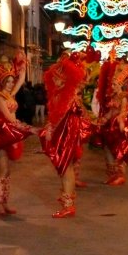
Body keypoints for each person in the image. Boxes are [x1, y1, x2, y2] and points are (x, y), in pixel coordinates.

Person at [0, 55, 38, 216]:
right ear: (2, 82)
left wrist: (24, 69)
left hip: (7, 135)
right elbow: (11, 119)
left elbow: (20, 82)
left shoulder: (8, 94)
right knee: (4, 169)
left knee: (7, 171)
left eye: (12, 81)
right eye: (9, 81)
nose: (12, 84)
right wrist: (30, 129)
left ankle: (3, 202)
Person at [40, 52, 96, 218]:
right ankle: (67, 199)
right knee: (66, 167)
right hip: (63, 132)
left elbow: (61, 115)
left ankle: (68, 205)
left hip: (66, 132)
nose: (56, 81)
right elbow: (55, 115)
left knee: (66, 167)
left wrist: (50, 128)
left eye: (59, 78)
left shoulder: (68, 95)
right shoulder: (59, 94)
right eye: (55, 78)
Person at [97, 61, 128, 186]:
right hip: (112, 126)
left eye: (115, 84)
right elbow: (111, 111)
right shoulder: (113, 96)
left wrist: (121, 120)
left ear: (121, 84)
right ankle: (112, 174)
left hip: (121, 127)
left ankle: (121, 175)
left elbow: (124, 110)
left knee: (120, 150)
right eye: (113, 83)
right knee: (107, 147)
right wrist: (103, 119)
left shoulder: (124, 96)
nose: (113, 86)